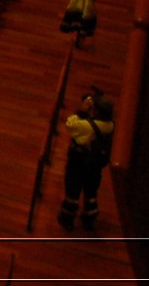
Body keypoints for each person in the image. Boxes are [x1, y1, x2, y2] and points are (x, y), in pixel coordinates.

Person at [58, 92, 115, 230]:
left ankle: (67, 218)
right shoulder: (111, 125)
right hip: (95, 166)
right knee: (91, 193)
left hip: (78, 164)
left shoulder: (87, 127)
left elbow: (71, 124)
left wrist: (82, 111)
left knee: (72, 192)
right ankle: (89, 218)